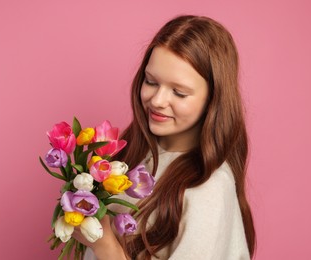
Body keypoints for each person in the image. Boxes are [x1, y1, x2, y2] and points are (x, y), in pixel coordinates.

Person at [73, 14, 256, 259]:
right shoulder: (130, 159)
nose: (157, 101)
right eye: (151, 82)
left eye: (179, 93)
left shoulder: (208, 188)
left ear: (212, 100)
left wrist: (105, 246)